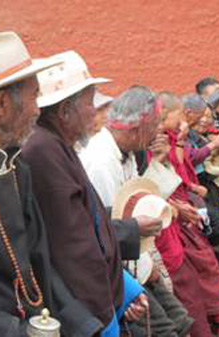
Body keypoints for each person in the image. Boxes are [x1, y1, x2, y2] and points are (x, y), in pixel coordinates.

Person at [0, 32, 102, 337]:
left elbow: (38, 258)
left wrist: (80, 322)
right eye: (34, 96)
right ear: (3, 103)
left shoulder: (16, 163)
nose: (38, 109)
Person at [21, 50, 149, 337]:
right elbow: (73, 250)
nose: (95, 111)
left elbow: (92, 228)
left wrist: (126, 288)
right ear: (65, 111)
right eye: (90, 102)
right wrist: (101, 317)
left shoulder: (59, 144)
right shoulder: (43, 151)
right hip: (88, 311)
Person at [81, 86, 199, 337]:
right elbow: (108, 232)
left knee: (182, 322)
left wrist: (148, 267)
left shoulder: (127, 153)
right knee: (165, 330)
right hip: (118, 272)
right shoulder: (101, 162)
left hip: (135, 260)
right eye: (155, 124)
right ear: (137, 128)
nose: (159, 131)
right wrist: (140, 278)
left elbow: (136, 204)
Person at [158, 92, 219, 337]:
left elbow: (177, 168)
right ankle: (216, 321)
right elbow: (168, 172)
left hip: (184, 201)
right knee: (193, 269)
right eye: (180, 114)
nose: (185, 120)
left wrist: (180, 144)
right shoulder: (158, 141)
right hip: (171, 212)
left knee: (207, 256)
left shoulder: (175, 138)